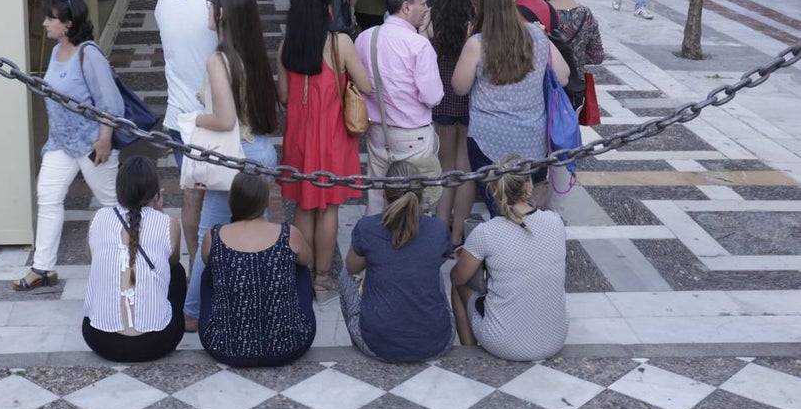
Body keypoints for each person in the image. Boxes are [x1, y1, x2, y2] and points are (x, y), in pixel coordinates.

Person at [181, 0, 281, 331]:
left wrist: (193, 118)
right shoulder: (251, 53)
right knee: (261, 233)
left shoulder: (218, 59)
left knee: (211, 231)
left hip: (235, 158)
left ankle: (192, 312)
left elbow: (224, 119)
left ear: (221, 14)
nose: (207, 10)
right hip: (260, 152)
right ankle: (262, 300)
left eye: (210, 5)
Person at [15, 0, 124, 291]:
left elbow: (111, 103)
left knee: (113, 204)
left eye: (51, 18)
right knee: (48, 199)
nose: (45, 23)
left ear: (68, 24)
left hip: (92, 144)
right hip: (60, 143)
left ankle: (132, 260)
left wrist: (104, 139)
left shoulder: (90, 55)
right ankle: (43, 268)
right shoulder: (56, 51)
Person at [277, 0, 372, 297]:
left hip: (298, 136)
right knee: (329, 208)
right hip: (331, 135)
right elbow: (366, 85)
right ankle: (322, 278)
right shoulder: (339, 43)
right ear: (328, 5)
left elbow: (284, 95)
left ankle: (303, 274)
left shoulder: (286, 44)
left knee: (304, 207)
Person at [451, 0, 568, 213]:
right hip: (532, 140)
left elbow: (459, 87)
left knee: (499, 208)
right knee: (528, 205)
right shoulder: (535, 34)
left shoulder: (477, 44)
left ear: (479, 10)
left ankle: (504, 245)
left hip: (489, 140)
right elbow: (563, 76)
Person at [155, 0, 229, 270]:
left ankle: (194, 262)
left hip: (178, 117)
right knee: (221, 199)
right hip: (215, 117)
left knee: (191, 195)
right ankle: (212, 268)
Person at [450, 157, 568, 362]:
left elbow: (457, 278)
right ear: (528, 185)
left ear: (494, 189)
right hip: (556, 339)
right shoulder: (555, 221)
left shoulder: (486, 232)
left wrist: (468, 256)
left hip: (504, 344)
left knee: (459, 287)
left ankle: (469, 355)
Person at [341, 161, 455, 362]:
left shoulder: (367, 228)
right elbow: (440, 260)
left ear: (384, 194)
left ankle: (360, 339)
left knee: (344, 276)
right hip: (438, 341)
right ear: (420, 195)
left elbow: (352, 268)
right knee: (430, 268)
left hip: (377, 345)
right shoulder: (438, 228)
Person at [198, 173, 316, 367]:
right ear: (266, 201)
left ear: (231, 201)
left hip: (225, 348)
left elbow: (206, 262)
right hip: (289, 347)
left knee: (210, 271)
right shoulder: (288, 234)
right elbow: (308, 259)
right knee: (300, 268)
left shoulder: (214, 236)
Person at [81, 156, 184, 362]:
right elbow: (170, 263)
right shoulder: (169, 223)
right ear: (155, 193)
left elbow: (91, 256)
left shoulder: (98, 217)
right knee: (178, 271)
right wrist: (159, 212)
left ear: (119, 190)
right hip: (156, 342)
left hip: (101, 340)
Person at [354, 0, 444, 215]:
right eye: (423, 3)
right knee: (416, 201)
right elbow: (432, 97)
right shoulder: (418, 44)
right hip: (413, 134)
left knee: (376, 194)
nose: (426, 9)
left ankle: (374, 244)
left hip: (377, 130)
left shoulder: (365, 37)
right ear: (406, 7)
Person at [429, 0, 481, 247]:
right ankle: (458, 234)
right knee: (465, 170)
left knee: (444, 167)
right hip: (470, 100)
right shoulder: (476, 20)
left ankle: (438, 233)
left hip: (442, 98)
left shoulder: (435, 16)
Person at [538, 0, 605, 90]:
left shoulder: (541, 12)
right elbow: (597, 56)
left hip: (547, 86)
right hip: (576, 89)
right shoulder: (586, 14)